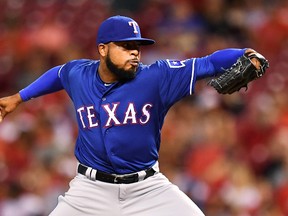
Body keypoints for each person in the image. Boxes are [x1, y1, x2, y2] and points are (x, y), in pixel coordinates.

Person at [0, 15, 264, 216]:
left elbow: (208, 62)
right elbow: (57, 74)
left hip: (147, 188)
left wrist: (245, 54)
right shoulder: (78, 74)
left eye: (137, 46)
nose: (135, 52)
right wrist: (19, 97)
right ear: (102, 49)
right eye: (125, 46)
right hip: (89, 191)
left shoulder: (157, 77)